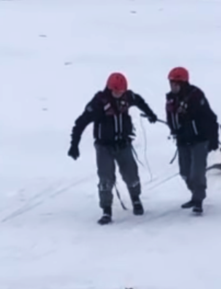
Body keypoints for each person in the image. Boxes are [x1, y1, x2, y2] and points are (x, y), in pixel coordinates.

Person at [68, 72, 159, 225]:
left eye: (122, 91)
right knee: (105, 179)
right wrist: (74, 144)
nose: (119, 94)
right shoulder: (98, 103)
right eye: (116, 91)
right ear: (109, 89)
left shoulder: (128, 97)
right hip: (104, 147)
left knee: (131, 175)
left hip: (123, 144)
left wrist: (150, 114)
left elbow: (140, 101)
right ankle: (106, 210)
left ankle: (135, 199)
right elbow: (81, 123)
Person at [164, 66, 220, 215]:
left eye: (176, 83)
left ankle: (198, 200)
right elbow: (171, 118)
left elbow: (211, 118)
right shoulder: (170, 99)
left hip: (199, 140)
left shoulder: (196, 96)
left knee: (197, 172)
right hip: (182, 141)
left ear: (183, 83)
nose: (173, 86)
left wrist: (213, 139)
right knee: (184, 173)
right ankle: (194, 194)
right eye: (171, 83)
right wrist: (174, 128)